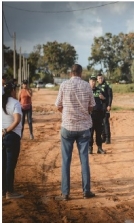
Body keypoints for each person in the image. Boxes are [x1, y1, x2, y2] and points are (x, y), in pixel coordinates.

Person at [54, 64, 96, 201]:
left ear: (70, 73)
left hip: (68, 126)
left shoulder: (64, 85)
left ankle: (65, 193)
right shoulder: (87, 86)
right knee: (84, 160)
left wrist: (67, 113)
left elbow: (58, 105)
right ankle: (86, 191)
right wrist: (83, 112)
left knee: (66, 160)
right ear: (81, 73)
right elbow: (91, 106)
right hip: (84, 128)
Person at [2, 82, 24, 199]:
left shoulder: (2, 102)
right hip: (12, 136)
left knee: (3, 164)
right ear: (12, 91)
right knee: (10, 165)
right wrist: (6, 130)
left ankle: (3, 190)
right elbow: (16, 121)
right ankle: (10, 192)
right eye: (15, 90)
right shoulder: (15, 103)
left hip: (2, 137)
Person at [89, 75, 106, 154]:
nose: (93, 83)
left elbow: (105, 101)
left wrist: (103, 98)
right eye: (92, 81)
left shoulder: (99, 90)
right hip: (90, 115)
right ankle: (90, 148)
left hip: (99, 115)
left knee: (99, 132)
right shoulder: (87, 91)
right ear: (89, 81)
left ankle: (99, 148)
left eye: (94, 81)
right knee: (90, 132)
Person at [97, 73, 113, 144]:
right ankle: (103, 137)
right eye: (99, 78)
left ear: (103, 78)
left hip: (105, 106)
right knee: (101, 123)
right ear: (97, 79)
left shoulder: (107, 85)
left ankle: (108, 138)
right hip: (99, 107)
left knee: (105, 122)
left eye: (101, 78)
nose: (100, 79)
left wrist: (109, 105)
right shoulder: (97, 86)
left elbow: (110, 96)